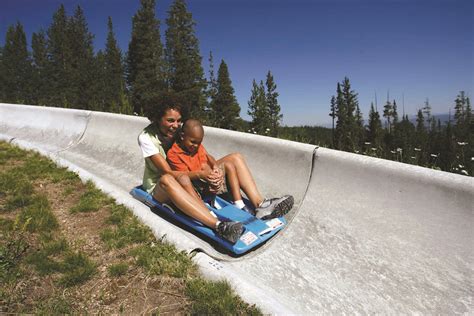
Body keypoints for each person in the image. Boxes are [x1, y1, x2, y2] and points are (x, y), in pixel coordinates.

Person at [137, 93, 292, 244]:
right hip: (162, 186)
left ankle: (261, 205)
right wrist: (201, 174)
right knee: (168, 179)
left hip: (191, 177)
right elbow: (167, 172)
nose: (175, 125)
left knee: (235, 158)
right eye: (170, 120)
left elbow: (203, 153)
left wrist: (214, 169)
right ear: (158, 118)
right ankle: (219, 226)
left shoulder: (181, 131)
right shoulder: (146, 138)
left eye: (178, 121)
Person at [167, 118, 294, 220]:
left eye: (199, 142)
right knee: (227, 166)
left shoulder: (196, 146)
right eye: (193, 142)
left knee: (235, 158)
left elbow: (207, 156)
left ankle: (257, 205)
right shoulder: (174, 154)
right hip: (199, 184)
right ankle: (238, 205)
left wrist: (215, 167)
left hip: (207, 176)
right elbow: (185, 177)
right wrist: (207, 180)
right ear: (182, 136)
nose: (196, 146)